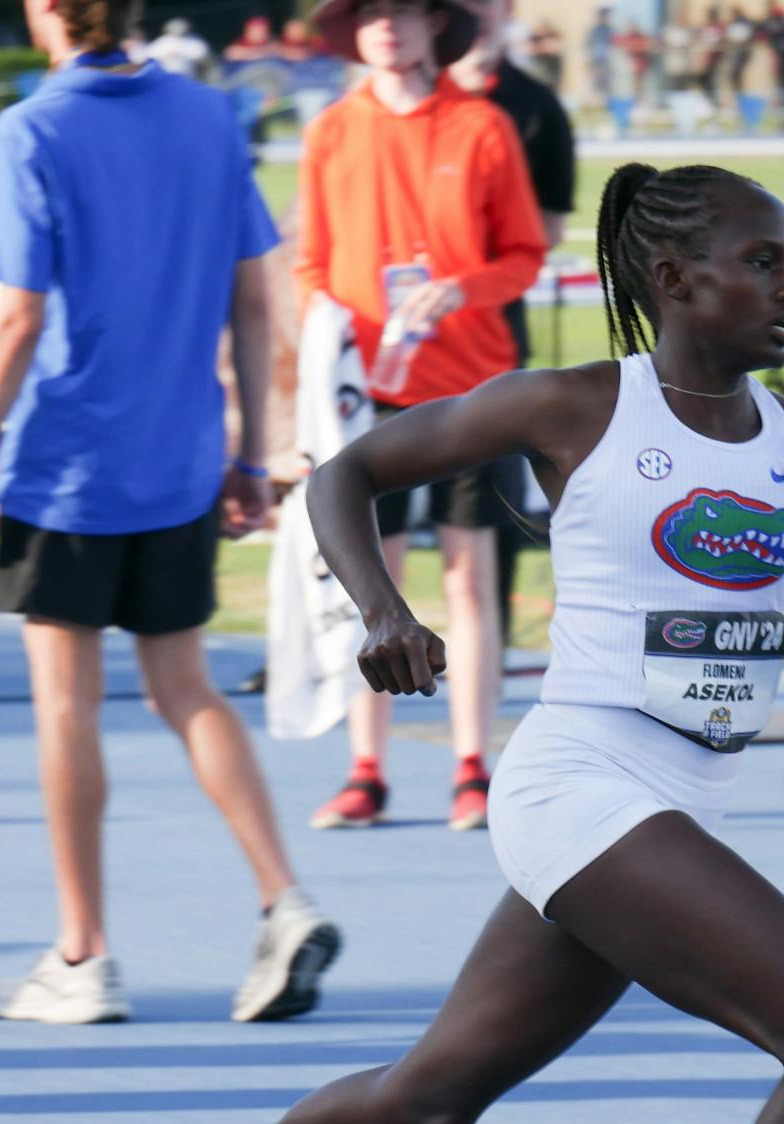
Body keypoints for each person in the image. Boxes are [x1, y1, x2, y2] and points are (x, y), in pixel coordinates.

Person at [34, 162, 784, 1124]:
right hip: (581, 785)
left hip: (676, 807)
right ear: (676, 281)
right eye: (767, 262)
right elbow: (345, 475)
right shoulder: (574, 406)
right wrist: (384, 613)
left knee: (430, 1102)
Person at [0, 0, 342, 1027]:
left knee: (66, 706)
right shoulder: (207, 116)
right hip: (180, 455)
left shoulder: (31, 129)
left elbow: (15, 317)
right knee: (185, 687)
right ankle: (283, 896)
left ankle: (82, 953)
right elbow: (257, 300)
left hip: (68, 465)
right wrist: (250, 452)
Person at [298, 0, 547, 834]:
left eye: (404, 11)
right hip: (366, 394)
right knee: (375, 581)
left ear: (435, 25)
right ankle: (366, 769)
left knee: (470, 579)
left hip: (473, 392)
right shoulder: (332, 130)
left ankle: (472, 765)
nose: (388, 27)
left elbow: (524, 254)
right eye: (371, 13)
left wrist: (461, 289)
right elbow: (312, 265)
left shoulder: (482, 126)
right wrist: (326, 337)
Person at [449, 0, 575, 643]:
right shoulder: (412, 97)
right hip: (392, 341)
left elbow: (548, 226)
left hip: (491, 328)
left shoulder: (534, 107)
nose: (476, 15)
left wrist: (478, 261)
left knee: (485, 509)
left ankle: (486, 648)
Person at [147, 18, 213, 79]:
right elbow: (150, 56)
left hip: (188, 76)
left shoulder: (192, 40)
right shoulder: (162, 42)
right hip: (166, 77)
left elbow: (201, 55)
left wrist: (181, 54)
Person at [585, 5, 615, 110]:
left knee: (607, 84)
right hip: (596, 61)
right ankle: (595, 106)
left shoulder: (610, 30)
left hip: (607, 62)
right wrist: (589, 62)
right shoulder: (593, 31)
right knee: (594, 84)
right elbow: (588, 47)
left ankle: (607, 105)